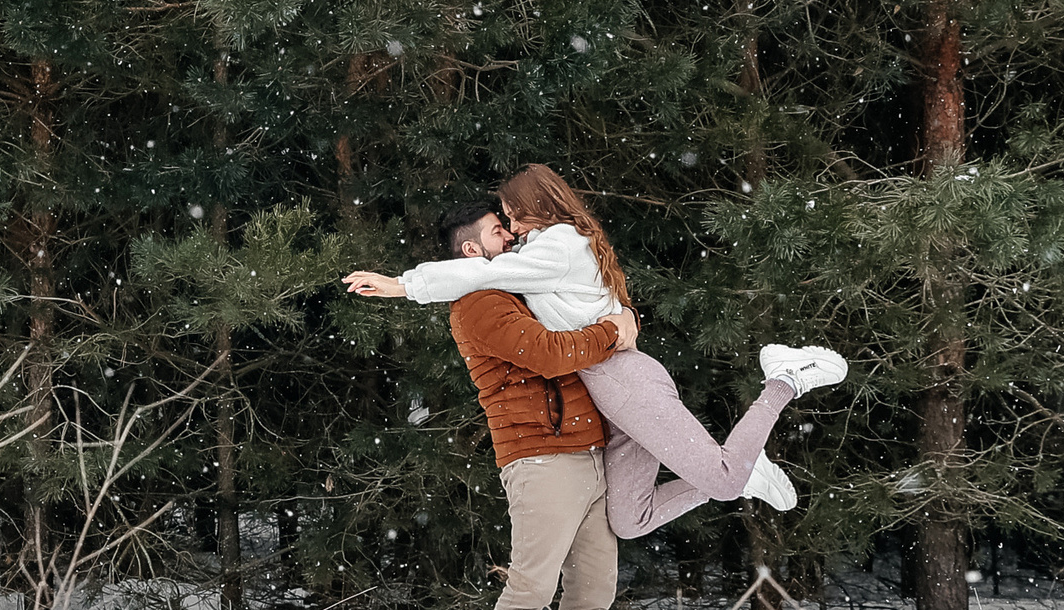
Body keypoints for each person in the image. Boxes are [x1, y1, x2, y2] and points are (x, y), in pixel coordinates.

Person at [346, 164, 847, 543]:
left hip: (623, 379)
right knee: (631, 520)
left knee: (722, 477)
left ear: (536, 206)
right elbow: (512, 277)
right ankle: (744, 470)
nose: (511, 225)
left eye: (512, 214)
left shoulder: (558, 245)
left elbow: (482, 272)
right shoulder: (550, 247)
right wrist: (624, 316)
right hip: (609, 388)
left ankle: (783, 379)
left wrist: (402, 285)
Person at [407, 202, 635, 610]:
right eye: (497, 232)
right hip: (541, 457)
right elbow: (550, 355)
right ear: (472, 250)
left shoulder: (520, 289)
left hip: (589, 450)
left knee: (593, 589)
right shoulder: (480, 303)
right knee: (531, 587)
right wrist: (613, 332)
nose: (510, 237)